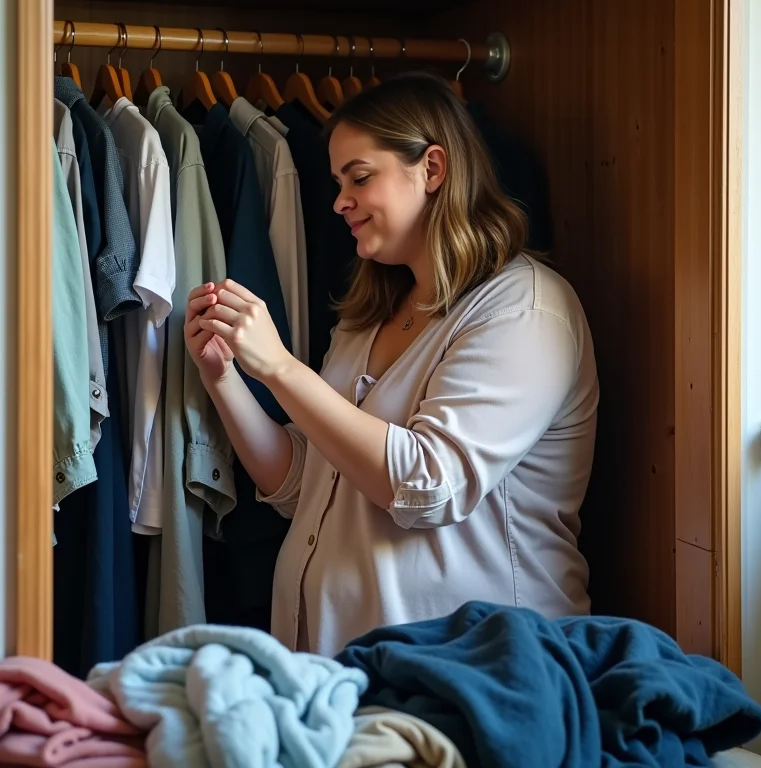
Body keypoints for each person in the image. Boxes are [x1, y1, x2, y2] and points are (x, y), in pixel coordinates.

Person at [183, 72, 599, 657]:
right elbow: (303, 483)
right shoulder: (367, 317)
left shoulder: (526, 308)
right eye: (336, 182)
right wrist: (224, 378)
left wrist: (279, 367)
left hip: (472, 668)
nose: (338, 202)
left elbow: (430, 486)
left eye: (359, 177)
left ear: (432, 169)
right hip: (342, 665)